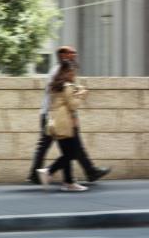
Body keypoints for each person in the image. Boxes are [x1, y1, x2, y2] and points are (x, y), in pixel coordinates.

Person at [28, 46, 110, 185]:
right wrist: (80, 95)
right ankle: (48, 174)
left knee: (66, 148)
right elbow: (67, 99)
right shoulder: (61, 72)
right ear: (63, 55)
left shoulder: (62, 70)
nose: (74, 54)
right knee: (70, 148)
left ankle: (70, 177)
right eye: (71, 52)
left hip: (55, 115)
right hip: (57, 116)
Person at [36, 61, 94, 192]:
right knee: (72, 153)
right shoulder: (67, 86)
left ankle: (69, 183)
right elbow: (73, 105)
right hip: (65, 123)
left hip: (55, 122)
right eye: (73, 72)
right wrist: (82, 95)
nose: (74, 75)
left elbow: (62, 100)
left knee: (67, 153)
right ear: (68, 72)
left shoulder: (55, 86)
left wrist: (77, 91)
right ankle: (49, 171)